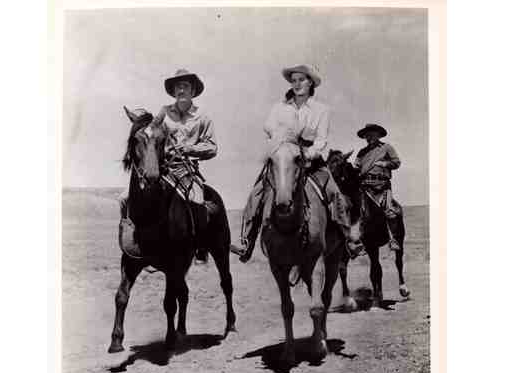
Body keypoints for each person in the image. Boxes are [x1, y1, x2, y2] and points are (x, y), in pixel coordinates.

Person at [231, 64, 350, 262]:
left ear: (310, 83)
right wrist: (282, 142)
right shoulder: (279, 107)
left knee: (334, 192)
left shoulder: (322, 110)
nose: (297, 84)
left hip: (310, 162)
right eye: (293, 81)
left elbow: (321, 140)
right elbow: (269, 129)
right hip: (283, 160)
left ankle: (347, 240)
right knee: (257, 191)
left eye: (301, 80)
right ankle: (246, 240)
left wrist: (308, 153)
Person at [119, 69, 217, 262]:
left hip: (187, 171)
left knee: (197, 201)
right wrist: (138, 120)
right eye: (177, 87)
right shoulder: (163, 113)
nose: (181, 90)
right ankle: (136, 240)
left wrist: (189, 148)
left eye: (185, 86)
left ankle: (200, 246)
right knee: (124, 198)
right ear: (173, 91)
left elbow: (212, 148)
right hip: (163, 170)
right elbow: (149, 131)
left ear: (193, 90)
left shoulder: (203, 117)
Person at [349, 123, 403, 253]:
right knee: (356, 211)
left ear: (378, 135)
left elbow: (397, 162)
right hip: (365, 187)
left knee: (389, 210)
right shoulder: (362, 152)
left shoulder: (387, 147)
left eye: (372, 134)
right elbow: (356, 167)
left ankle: (393, 239)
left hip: (382, 186)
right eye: (367, 135)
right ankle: (357, 243)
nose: (369, 137)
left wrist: (385, 163)